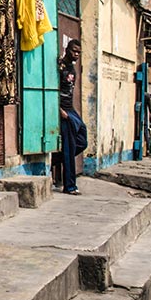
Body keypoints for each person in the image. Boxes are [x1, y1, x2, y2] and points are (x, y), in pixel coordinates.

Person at [56, 39, 83, 194]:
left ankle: (57, 159)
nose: (76, 54)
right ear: (67, 49)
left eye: (78, 52)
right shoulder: (60, 67)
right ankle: (70, 186)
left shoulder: (73, 69)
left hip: (71, 109)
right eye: (74, 51)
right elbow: (54, 89)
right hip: (63, 110)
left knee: (82, 139)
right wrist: (59, 110)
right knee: (70, 145)